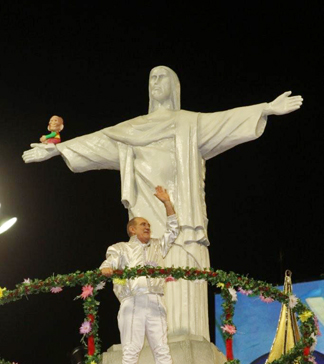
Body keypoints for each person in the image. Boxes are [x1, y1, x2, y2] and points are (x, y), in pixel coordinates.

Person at [22, 66, 303, 341]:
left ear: (173, 86)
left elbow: (226, 121)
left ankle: (184, 334)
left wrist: (265, 108)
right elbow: (96, 143)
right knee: (145, 266)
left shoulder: (189, 123)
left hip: (181, 212)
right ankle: (148, 337)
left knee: (181, 265)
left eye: (162, 77)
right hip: (145, 213)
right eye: (151, 77)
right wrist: (56, 149)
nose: (155, 81)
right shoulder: (131, 129)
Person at [100, 186, 179, 364]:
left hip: (155, 300)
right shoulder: (121, 248)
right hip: (132, 300)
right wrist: (106, 268)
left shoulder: (158, 246)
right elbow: (109, 261)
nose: (147, 227)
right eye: (143, 224)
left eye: (149, 225)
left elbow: (174, 229)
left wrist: (167, 202)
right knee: (131, 348)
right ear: (132, 229)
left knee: (161, 347)